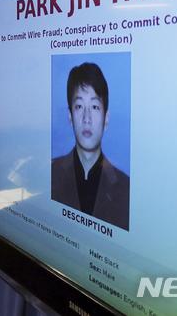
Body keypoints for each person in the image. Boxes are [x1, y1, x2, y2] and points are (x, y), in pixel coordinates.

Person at [51, 62, 129, 230]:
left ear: (106, 118)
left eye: (94, 107)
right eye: (79, 106)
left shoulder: (126, 188)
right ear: (70, 116)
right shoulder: (50, 173)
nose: (87, 118)